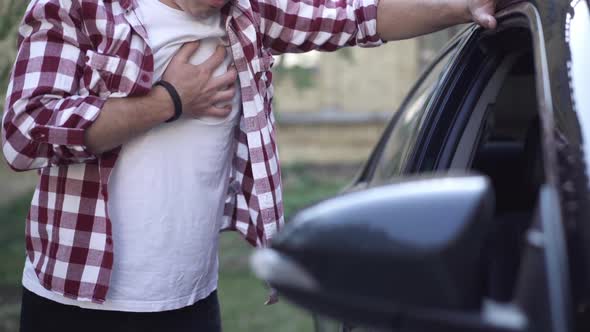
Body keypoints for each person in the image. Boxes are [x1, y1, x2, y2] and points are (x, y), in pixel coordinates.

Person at [2, 0, 507, 330]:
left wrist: (464, 5)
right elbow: (24, 131)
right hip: (77, 302)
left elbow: (361, 16)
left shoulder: (246, 15)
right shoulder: (81, 9)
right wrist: (168, 101)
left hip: (191, 302)